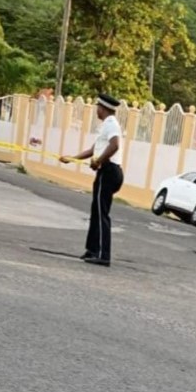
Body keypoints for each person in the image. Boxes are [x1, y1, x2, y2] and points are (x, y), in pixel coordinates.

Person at [60, 94, 125, 266]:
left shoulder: (111, 124)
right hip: (106, 170)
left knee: (102, 213)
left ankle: (104, 255)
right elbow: (93, 149)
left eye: (98, 107)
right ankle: (92, 249)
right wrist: (72, 159)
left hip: (109, 171)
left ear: (102, 108)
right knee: (96, 211)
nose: (97, 110)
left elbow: (115, 145)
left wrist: (99, 161)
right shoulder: (105, 126)